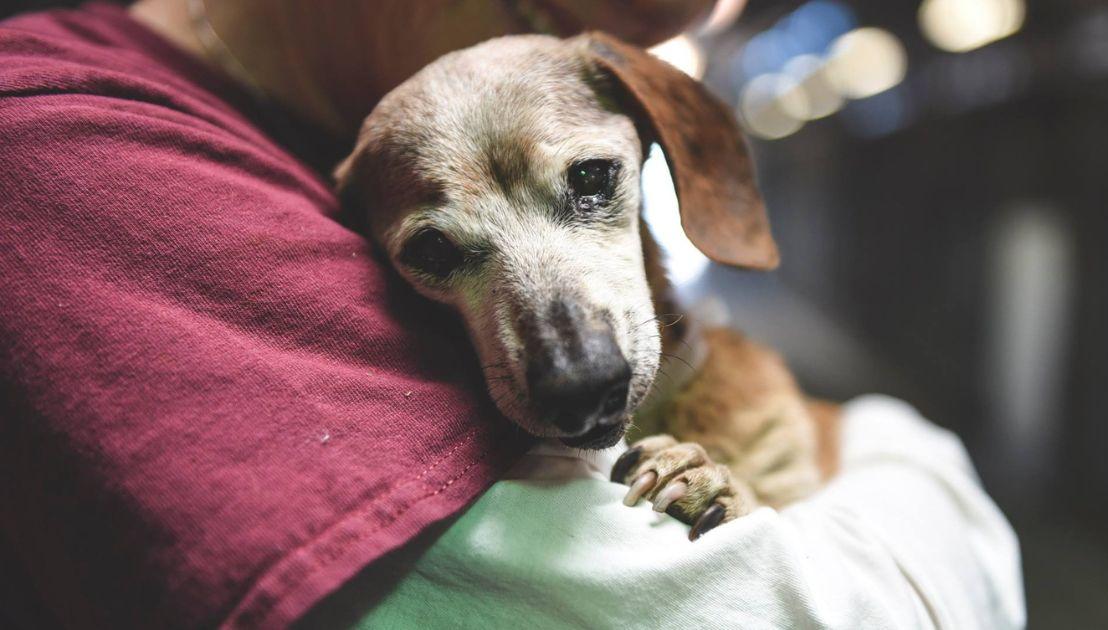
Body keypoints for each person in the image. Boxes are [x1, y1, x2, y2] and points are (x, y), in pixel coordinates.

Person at [0, 1, 1024, 627]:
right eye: (440, 253)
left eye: (589, 183)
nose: (678, 11)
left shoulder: (324, 129)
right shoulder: (66, 152)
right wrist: (913, 455)